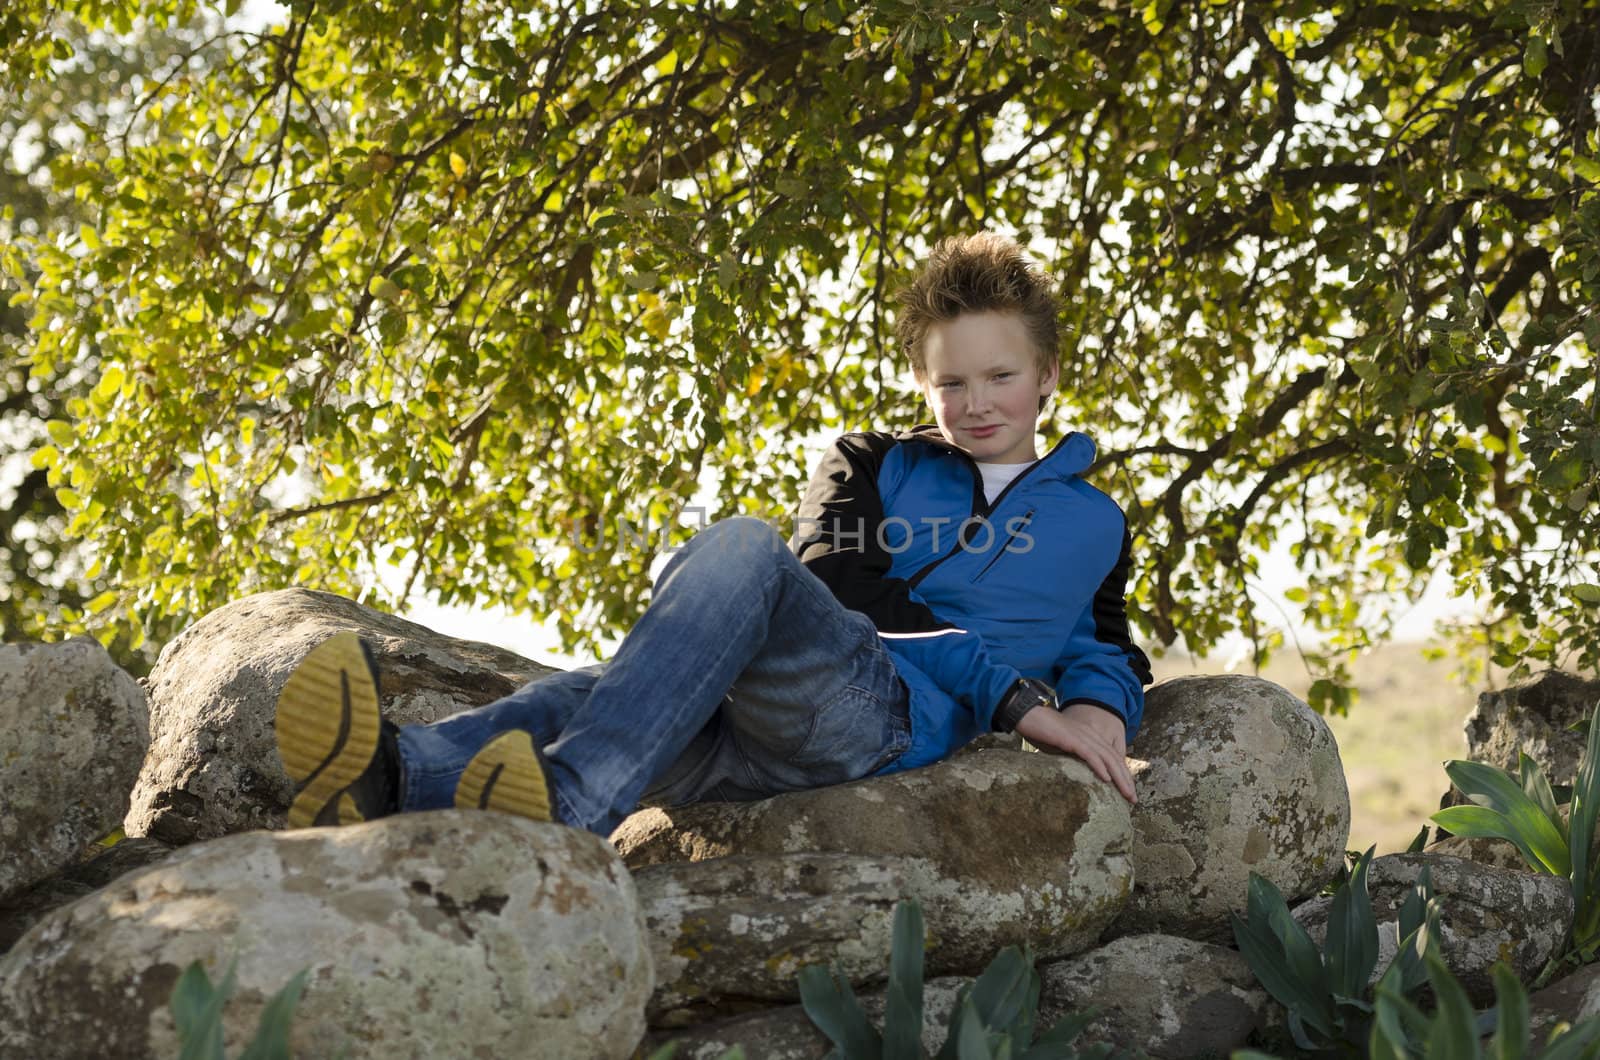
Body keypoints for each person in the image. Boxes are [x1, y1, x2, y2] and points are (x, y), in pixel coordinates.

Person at [273, 231, 1153, 839]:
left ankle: (567, 803)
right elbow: (834, 582)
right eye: (950, 382)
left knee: (735, 548)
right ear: (923, 384)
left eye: (1000, 374)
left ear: (1047, 374)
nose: (976, 403)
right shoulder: (870, 462)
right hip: (802, 694)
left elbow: (1103, 644)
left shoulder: (1096, 520)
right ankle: (391, 778)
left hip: (887, 721)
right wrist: (1013, 696)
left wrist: (1096, 708)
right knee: (622, 682)